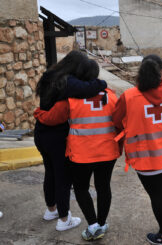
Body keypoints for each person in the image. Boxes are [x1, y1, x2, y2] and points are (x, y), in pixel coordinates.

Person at [34, 59, 120, 241]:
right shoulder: (112, 96)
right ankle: (102, 222)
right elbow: (120, 122)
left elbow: (52, 118)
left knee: (81, 189)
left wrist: (38, 113)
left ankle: (93, 225)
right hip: (107, 152)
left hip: (81, 155)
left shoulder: (71, 100)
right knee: (104, 187)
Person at [113, 54, 162, 245]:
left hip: (146, 158)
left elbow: (116, 120)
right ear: (161, 72)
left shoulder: (129, 96)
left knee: (158, 195)